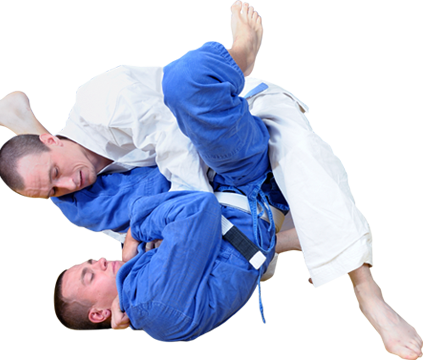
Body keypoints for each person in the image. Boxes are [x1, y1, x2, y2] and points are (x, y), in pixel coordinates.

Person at [55, 3, 422, 358]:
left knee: (78, 201)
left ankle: (36, 144)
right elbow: (196, 210)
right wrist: (137, 232)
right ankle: (238, 57)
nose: (99, 262)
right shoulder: (150, 300)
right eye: (89, 275)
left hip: (233, 205)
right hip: (244, 186)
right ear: (99, 314)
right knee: (186, 82)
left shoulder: (142, 297)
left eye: (88, 264)